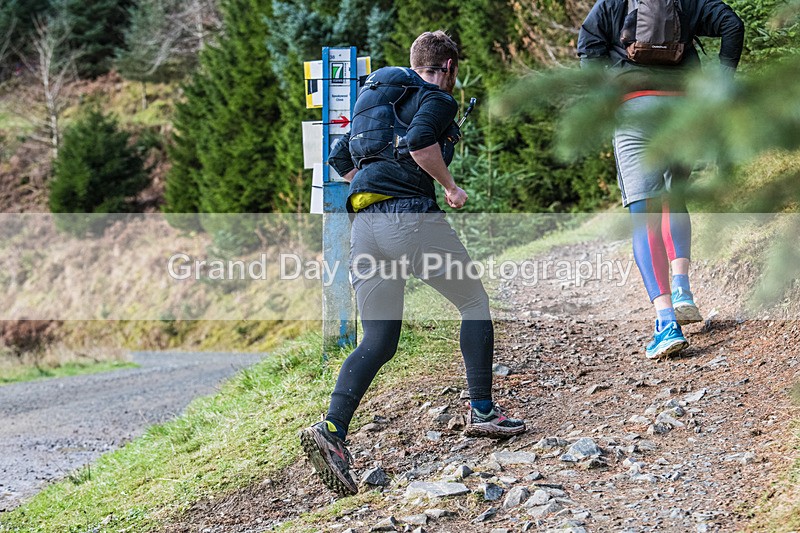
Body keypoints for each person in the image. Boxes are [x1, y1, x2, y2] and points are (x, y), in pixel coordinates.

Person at [300, 30, 526, 496]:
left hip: (365, 228)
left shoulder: (375, 101)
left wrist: (374, 178)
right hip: (410, 219)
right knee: (474, 302)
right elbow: (423, 144)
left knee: (380, 340)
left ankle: (333, 431)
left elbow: (338, 155)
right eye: (453, 69)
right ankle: (483, 411)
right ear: (446, 67)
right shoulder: (435, 98)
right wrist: (450, 186)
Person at [577, 0, 744, 359]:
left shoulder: (611, 4)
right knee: (674, 196)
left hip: (635, 109)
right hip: (683, 108)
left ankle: (667, 322)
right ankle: (683, 288)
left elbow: (587, 46)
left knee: (644, 215)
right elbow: (733, 24)